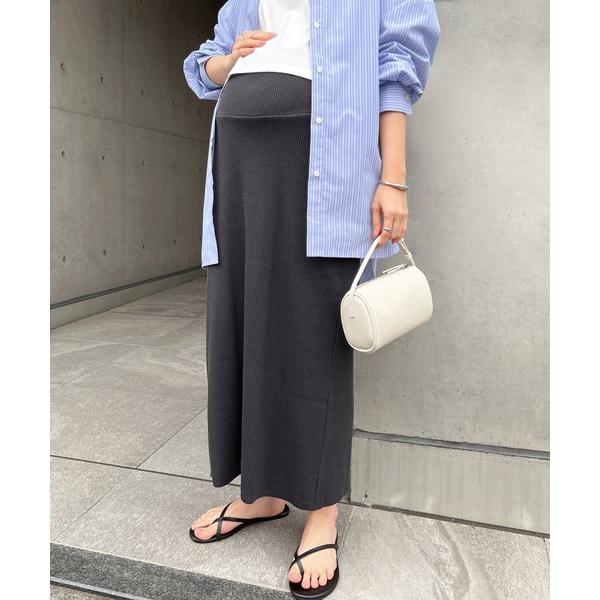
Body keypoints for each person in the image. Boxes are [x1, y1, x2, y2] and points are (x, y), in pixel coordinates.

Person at [183, 1, 440, 597]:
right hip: (237, 163)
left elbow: (397, 66)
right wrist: (228, 61)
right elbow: (204, 68)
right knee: (243, 322)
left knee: (313, 331)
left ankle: (321, 510)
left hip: (322, 162)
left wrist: (393, 176)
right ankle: (262, 494)